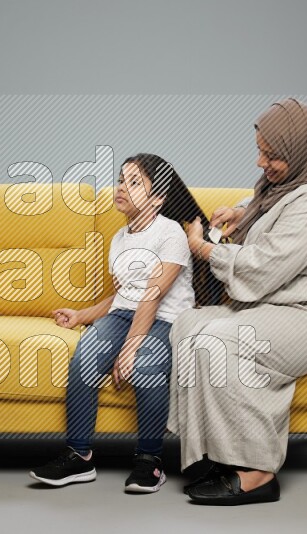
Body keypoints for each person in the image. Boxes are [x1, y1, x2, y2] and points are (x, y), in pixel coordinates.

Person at [169, 98, 307, 505]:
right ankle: (212, 452)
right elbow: (268, 207)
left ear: (300, 152)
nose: (262, 162)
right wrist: (239, 212)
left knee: (224, 339)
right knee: (187, 326)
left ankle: (258, 473)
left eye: (272, 155)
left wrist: (203, 250)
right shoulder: (286, 187)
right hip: (275, 307)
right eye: (260, 151)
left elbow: (264, 266)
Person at [29, 153, 212, 493]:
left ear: (157, 198)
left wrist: (129, 348)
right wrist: (82, 315)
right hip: (126, 315)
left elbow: (153, 296)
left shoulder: (170, 233)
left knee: (145, 363)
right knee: (86, 354)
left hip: (166, 319)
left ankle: (149, 460)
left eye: (134, 182)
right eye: (121, 179)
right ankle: (79, 456)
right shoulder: (118, 239)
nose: (121, 187)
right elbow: (124, 297)